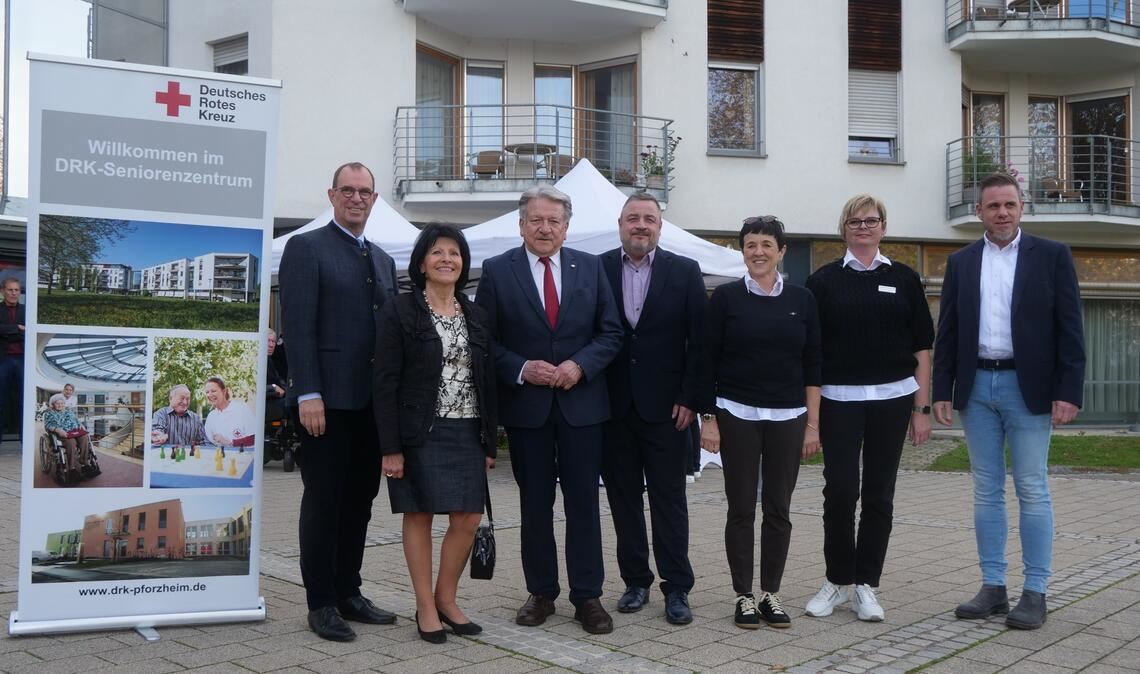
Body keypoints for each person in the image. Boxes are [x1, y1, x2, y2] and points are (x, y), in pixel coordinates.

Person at [934, 172, 1086, 630]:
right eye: (993, 206)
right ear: (979, 211)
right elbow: (949, 332)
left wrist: (1068, 390)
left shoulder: (1053, 256)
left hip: (1029, 388)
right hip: (977, 388)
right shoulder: (961, 262)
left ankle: (1035, 590)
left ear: (1022, 208)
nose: (1002, 212)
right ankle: (993, 587)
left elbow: (1070, 330)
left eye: (1009, 205)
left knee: (1032, 488)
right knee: (985, 489)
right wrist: (942, 389)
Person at [476, 185, 623, 634]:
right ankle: (540, 592)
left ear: (566, 226)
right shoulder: (498, 271)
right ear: (521, 225)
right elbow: (485, 343)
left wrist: (581, 365)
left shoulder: (591, 267)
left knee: (583, 504)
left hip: (582, 407)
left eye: (553, 221)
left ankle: (588, 596)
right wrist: (521, 368)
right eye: (536, 220)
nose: (545, 228)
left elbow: (611, 332)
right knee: (534, 505)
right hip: (528, 411)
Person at [279, 161, 399, 641]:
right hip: (325, 404)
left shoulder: (384, 260)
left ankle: (349, 591)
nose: (356, 198)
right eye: (347, 190)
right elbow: (299, 326)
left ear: (374, 199)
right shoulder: (306, 248)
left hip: (371, 407)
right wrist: (307, 391)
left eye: (364, 191)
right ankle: (321, 602)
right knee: (324, 503)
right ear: (332, 195)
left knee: (360, 504)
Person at [804, 195, 934, 622]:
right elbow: (812, 352)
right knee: (840, 491)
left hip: (892, 400)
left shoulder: (905, 278)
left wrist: (922, 408)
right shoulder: (822, 281)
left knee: (879, 494)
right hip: (839, 400)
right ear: (844, 228)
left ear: (883, 226)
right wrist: (813, 415)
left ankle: (866, 586)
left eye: (871, 220)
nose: (863, 227)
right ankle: (837, 581)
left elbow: (922, 348)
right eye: (854, 221)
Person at [375, 223, 498, 644]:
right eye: (437, 252)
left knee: (468, 517)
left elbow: (487, 379)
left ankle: (447, 598)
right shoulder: (400, 310)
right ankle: (425, 605)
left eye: (455, 253)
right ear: (423, 262)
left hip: (467, 427)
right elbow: (385, 381)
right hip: (418, 430)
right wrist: (390, 447)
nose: (447, 259)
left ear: (463, 264)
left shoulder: (476, 314)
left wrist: (488, 438)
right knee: (420, 513)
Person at [699, 216, 821, 629]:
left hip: (788, 415)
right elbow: (706, 362)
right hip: (736, 413)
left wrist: (812, 424)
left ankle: (771, 593)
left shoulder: (802, 300)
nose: (758, 252)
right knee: (740, 508)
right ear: (743, 251)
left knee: (779, 509)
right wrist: (709, 420)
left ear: (781, 251)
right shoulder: (727, 299)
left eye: (767, 244)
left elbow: (813, 365)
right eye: (751, 244)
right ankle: (743, 596)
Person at [599, 192, 705, 626]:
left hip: (668, 410)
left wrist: (691, 399)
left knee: (669, 502)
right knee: (623, 501)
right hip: (613, 409)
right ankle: (636, 581)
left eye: (649, 219)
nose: (641, 225)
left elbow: (700, 343)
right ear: (620, 224)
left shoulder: (684, 271)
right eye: (633, 218)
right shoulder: (597, 268)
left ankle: (677, 587)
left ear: (660, 226)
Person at [43, 392, 91, 480]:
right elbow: (48, 425)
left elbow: (76, 420)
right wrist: (57, 429)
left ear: (64, 404)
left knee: (84, 437)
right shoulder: (49, 413)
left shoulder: (69, 411)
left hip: (75, 431)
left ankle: (84, 462)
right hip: (62, 433)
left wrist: (80, 424)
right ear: (53, 404)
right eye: (57, 403)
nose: (60, 405)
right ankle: (72, 468)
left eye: (62, 403)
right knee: (71, 442)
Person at [0, 277, 25, 440]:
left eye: (16, 290)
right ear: (3, 291)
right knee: (1, 401)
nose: (13, 293)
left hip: (23, 360)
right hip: (3, 360)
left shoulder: (27, 309)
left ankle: (25, 442)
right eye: (10, 289)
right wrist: (17, 328)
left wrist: (6, 332)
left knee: (23, 401)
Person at [203, 376, 256, 451]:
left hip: (245, 459)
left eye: (213, 391)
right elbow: (208, 442)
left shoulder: (241, 409)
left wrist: (231, 443)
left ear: (224, 391)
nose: (210, 395)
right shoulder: (211, 416)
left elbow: (255, 438)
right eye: (207, 392)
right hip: (222, 460)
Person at [266, 329, 288, 423]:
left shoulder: (269, 360)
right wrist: (273, 387)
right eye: (268, 341)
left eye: (273, 341)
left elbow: (280, 381)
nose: (271, 345)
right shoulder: (251, 361)